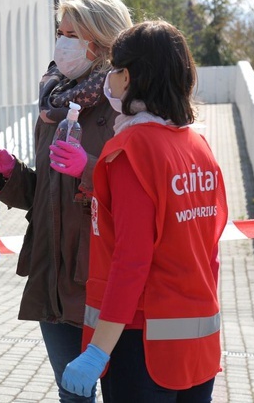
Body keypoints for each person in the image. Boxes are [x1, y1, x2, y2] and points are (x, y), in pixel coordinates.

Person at [61, 20, 229, 402]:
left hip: (140, 345)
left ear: (130, 76)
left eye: (115, 69)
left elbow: (131, 260)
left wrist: (98, 351)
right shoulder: (198, 147)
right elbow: (210, 246)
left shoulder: (130, 150)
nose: (110, 78)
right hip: (198, 345)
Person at [0, 0, 132, 402]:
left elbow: (136, 191)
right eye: (59, 31)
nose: (61, 42)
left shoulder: (125, 105)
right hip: (53, 273)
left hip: (99, 276)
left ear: (100, 41)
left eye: (72, 33)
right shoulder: (54, 101)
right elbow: (45, 193)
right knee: (73, 396)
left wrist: (87, 167)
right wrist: (10, 172)